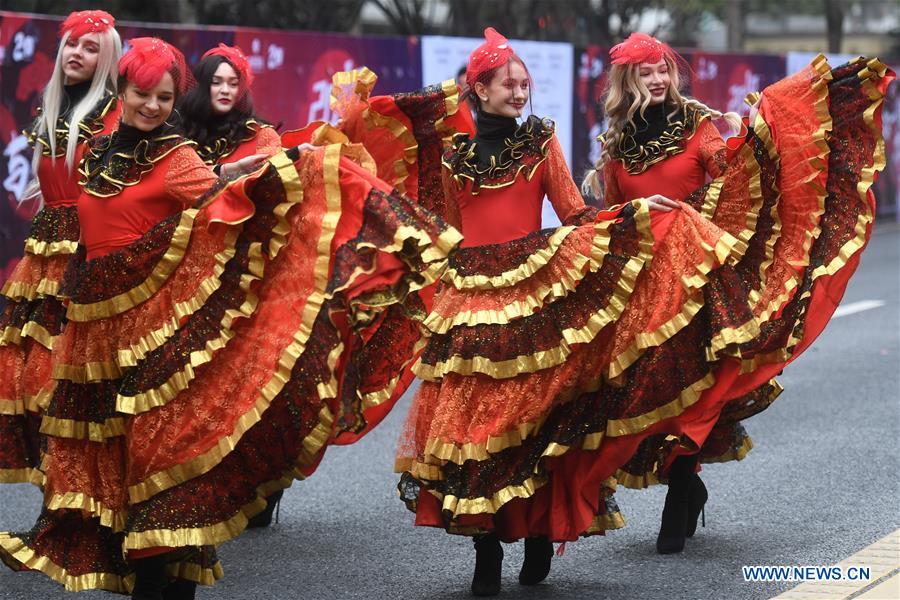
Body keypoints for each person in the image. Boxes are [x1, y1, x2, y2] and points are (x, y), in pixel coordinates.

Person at [396, 27, 893, 597]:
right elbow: (462, 226)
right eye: (509, 84)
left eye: (525, 84)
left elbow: (590, 210)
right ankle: (489, 546)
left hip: (663, 269)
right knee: (477, 423)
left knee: (591, 403)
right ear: (479, 90)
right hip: (492, 293)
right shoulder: (470, 153)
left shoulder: (553, 140)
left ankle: (662, 486)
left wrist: (692, 192)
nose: (519, 92)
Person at [0, 37, 460, 599]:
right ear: (121, 91)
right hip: (94, 335)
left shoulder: (176, 157)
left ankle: (164, 573)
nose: (151, 105)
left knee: (159, 461)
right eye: (142, 93)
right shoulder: (97, 151)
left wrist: (290, 169)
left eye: (164, 97)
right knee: (108, 465)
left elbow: (225, 194)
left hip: (155, 332)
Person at [581, 32, 771, 555]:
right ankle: (686, 483)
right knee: (645, 393)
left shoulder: (697, 126)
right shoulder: (617, 144)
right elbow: (608, 219)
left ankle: (681, 488)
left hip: (695, 280)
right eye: (647, 72)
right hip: (642, 286)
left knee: (692, 387)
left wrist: (693, 213)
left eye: (664, 69)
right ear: (628, 80)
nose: (660, 79)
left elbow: (733, 180)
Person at [0, 9, 121, 487]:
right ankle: (62, 484)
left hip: (88, 250)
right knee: (28, 365)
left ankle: (87, 487)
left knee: (71, 372)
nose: (77, 53)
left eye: (91, 48)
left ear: (107, 58)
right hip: (45, 249)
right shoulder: (54, 108)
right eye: (72, 44)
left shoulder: (112, 114)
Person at [178, 43, 283, 528]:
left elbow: (276, 191)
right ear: (200, 85)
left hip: (247, 270)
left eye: (233, 83)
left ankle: (257, 481)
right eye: (216, 81)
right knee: (197, 380)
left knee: (247, 377)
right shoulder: (175, 135)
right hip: (185, 271)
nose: (224, 90)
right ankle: (201, 477)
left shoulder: (261, 137)